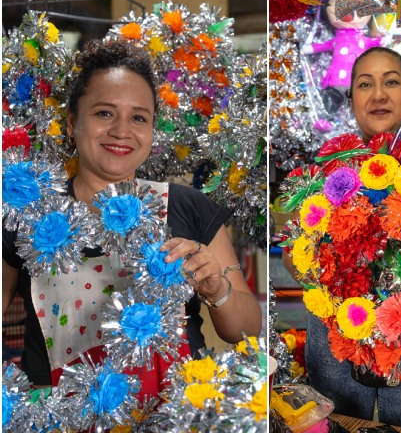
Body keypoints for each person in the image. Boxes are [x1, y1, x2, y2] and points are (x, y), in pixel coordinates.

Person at [2, 40, 262, 395]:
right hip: (60, 417)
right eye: (104, 113)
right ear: (72, 121)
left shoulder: (185, 206)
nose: (122, 131)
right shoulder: (27, 213)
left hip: (174, 412)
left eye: (139, 117)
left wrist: (217, 289)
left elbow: (245, 330)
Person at [283, 46, 401, 431]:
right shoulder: (333, 163)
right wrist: (312, 267)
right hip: (339, 332)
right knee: (334, 421)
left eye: (392, 82)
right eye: (365, 84)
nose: (379, 94)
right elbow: (293, 250)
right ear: (351, 97)